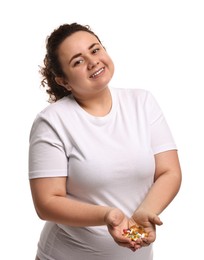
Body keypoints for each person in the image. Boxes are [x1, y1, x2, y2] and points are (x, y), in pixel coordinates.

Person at [28, 22, 182, 260]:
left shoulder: (142, 102)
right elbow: (46, 202)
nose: (93, 62)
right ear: (63, 80)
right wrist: (107, 215)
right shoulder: (52, 121)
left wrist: (145, 213)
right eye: (78, 61)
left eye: (95, 50)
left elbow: (169, 171)